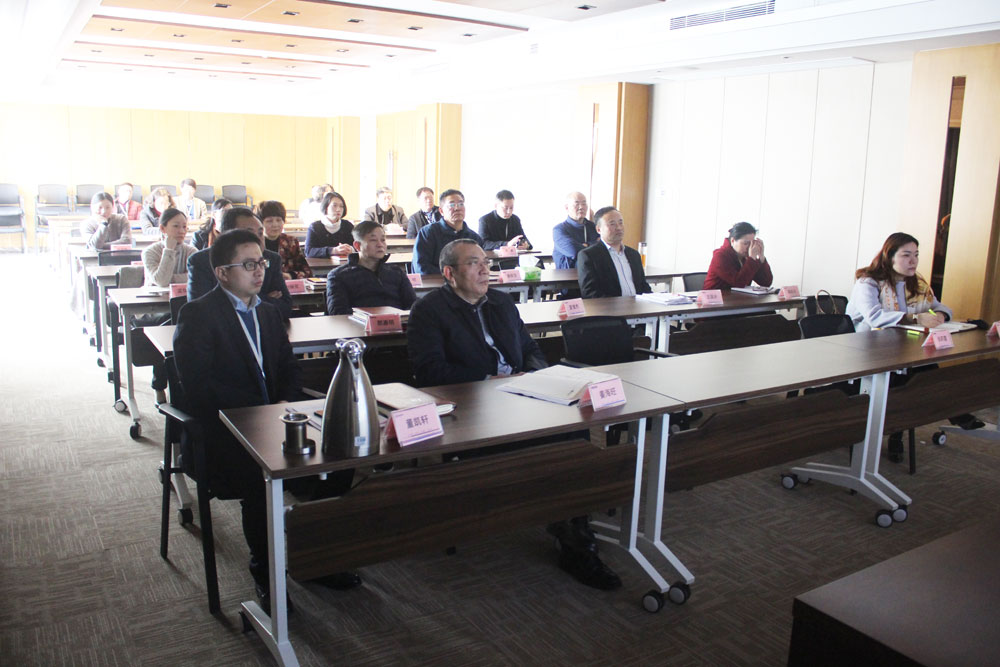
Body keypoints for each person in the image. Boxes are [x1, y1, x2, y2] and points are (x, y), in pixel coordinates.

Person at [406, 239, 622, 591]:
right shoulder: (429, 311)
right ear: (449, 273)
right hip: (475, 408)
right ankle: (573, 536)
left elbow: (529, 347)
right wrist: (488, 379)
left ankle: (572, 522)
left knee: (576, 430)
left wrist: (536, 375)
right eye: (473, 263)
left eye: (486, 262)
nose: (484, 270)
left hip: (523, 394)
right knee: (554, 442)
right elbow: (430, 373)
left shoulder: (502, 302)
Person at [173, 229, 359, 613]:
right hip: (227, 428)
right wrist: (257, 412)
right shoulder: (198, 315)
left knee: (342, 459)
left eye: (261, 262)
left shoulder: (269, 312)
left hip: (278, 419)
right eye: (248, 264)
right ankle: (265, 570)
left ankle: (311, 556)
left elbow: (288, 368)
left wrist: (284, 403)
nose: (259, 270)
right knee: (261, 481)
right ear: (222, 273)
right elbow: (198, 387)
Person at [846, 232, 984, 459]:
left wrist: (940, 315)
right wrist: (916, 318)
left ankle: (901, 431)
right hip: (867, 352)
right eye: (906, 255)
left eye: (916, 255)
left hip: (902, 349)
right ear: (889, 256)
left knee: (923, 373)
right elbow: (875, 317)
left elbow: (939, 306)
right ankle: (951, 412)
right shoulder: (868, 282)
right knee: (921, 375)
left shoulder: (916, 283)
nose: (913, 261)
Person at [187, 206, 292, 320]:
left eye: (260, 233)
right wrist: (261, 299)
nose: (258, 240)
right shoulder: (201, 261)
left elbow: (285, 308)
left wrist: (239, 299)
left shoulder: (272, 259)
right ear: (226, 235)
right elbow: (201, 311)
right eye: (249, 234)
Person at [140, 208, 197, 404]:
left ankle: (184, 384)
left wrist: (173, 278)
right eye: (176, 226)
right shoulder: (150, 252)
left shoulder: (192, 252)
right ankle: (159, 384)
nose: (182, 231)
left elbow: (195, 279)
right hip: (155, 310)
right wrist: (169, 251)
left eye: (184, 227)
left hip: (182, 308)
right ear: (163, 228)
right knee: (168, 327)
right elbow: (162, 281)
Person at [326, 220, 416, 315]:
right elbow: (338, 313)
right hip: (360, 323)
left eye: (383, 240)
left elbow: (412, 304)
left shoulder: (396, 272)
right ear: (357, 245)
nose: (380, 244)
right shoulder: (339, 276)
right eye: (373, 240)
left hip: (398, 322)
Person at [577, 206, 651, 298]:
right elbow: (590, 293)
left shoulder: (634, 255)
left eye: (620, 223)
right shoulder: (589, 256)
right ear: (598, 229)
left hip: (638, 305)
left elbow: (644, 287)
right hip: (610, 307)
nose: (619, 227)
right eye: (612, 224)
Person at [411, 189, 483, 275]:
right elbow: (421, 267)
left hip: (467, 281)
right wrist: (452, 276)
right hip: (436, 281)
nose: (457, 208)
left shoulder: (474, 238)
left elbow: (480, 266)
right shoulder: (428, 233)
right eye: (452, 205)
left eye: (461, 204)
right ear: (441, 211)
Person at [703, 222, 773, 290]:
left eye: (752, 243)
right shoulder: (720, 256)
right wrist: (751, 259)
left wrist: (761, 257)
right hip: (714, 297)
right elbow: (739, 283)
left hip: (737, 297)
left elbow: (766, 283)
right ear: (732, 241)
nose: (750, 247)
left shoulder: (747, 257)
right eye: (746, 243)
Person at [258, 200, 311, 280]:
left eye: (279, 220)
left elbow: (307, 272)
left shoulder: (291, 242)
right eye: (269, 221)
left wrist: (291, 275)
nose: (275, 225)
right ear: (260, 223)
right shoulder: (254, 243)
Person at [552, 191, 598, 269]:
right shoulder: (559, 229)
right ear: (567, 208)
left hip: (592, 272)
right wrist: (593, 244)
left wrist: (585, 245)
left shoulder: (594, 227)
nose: (581, 207)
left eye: (584, 203)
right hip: (568, 274)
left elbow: (604, 248)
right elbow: (574, 251)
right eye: (577, 204)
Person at [304, 191, 354, 258]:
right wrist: (332, 250)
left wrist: (350, 249)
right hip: (320, 264)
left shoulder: (348, 226)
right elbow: (309, 251)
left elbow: (358, 246)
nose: (338, 209)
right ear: (326, 207)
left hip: (345, 263)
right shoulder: (315, 227)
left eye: (341, 206)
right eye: (334, 205)